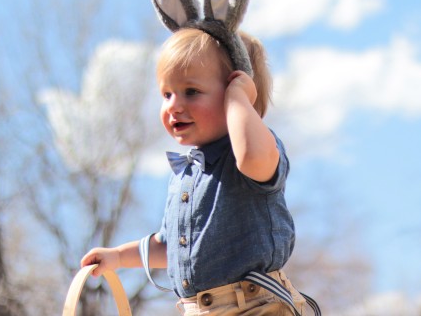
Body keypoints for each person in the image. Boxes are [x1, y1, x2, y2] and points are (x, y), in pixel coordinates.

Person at [80, 28, 313, 315]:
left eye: (191, 92)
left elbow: (251, 156)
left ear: (235, 95)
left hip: (255, 306)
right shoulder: (185, 175)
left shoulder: (251, 153)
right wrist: (117, 257)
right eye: (167, 93)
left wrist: (240, 98)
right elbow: (172, 248)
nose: (174, 105)